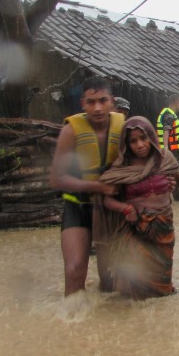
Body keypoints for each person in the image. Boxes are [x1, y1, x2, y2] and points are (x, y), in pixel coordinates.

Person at [95, 117, 179, 299]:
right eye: (133, 141)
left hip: (163, 228)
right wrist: (126, 209)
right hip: (135, 229)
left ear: (151, 136)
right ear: (127, 144)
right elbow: (106, 200)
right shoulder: (122, 167)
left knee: (162, 284)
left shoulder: (165, 159)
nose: (140, 144)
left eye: (143, 138)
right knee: (135, 284)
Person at [49, 77, 123, 296]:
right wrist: (97, 187)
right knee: (74, 270)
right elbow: (56, 179)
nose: (97, 108)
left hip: (110, 207)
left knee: (110, 278)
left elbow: (142, 162)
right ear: (82, 103)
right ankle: (72, 323)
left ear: (113, 102)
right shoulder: (70, 131)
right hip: (78, 206)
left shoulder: (124, 127)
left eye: (103, 100)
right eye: (91, 102)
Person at [157, 93, 179, 201]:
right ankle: (177, 199)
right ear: (177, 102)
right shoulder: (169, 114)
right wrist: (166, 148)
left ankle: (172, 198)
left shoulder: (166, 112)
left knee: (170, 174)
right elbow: (166, 130)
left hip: (170, 149)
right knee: (174, 174)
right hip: (171, 149)